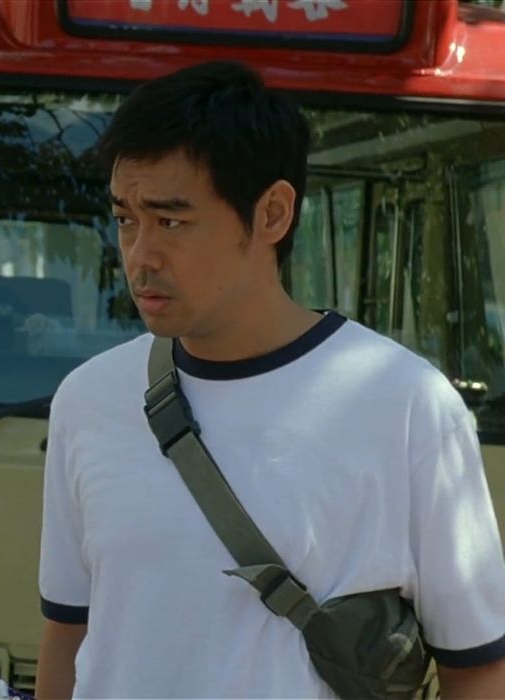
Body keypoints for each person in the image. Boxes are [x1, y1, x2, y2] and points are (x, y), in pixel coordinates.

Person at [36, 61, 505, 698]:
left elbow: (476, 668)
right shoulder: (88, 400)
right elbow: (69, 637)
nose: (140, 255)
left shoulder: (407, 407)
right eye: (125, 219)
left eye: (171, 221)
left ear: (272, 214)